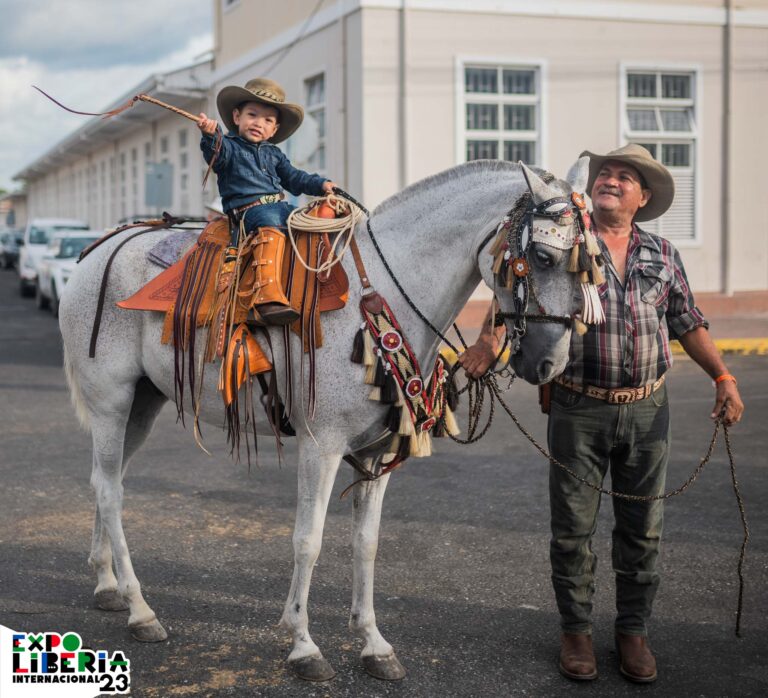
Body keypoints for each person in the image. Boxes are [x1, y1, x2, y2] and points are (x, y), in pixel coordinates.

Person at [459, 144, 744, 683]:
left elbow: (687, 321)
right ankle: (577, 634)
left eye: (624, 177)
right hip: (577, 406)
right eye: (605, 174)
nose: (610, 180)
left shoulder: (662, 253)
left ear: (643, 197)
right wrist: (487, 339)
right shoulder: (566, 238)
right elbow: (515, 285)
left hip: (647, 410)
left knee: (643, 531)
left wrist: (724, 378)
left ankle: (633, 634)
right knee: (572, 531)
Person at [198, 77, 338, 325]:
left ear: (274, 130)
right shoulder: (229, 146)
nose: (258, 123)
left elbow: (294, 178)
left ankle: (314, 282)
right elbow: (216, 156)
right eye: (252, 114)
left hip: (279, 207)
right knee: (271, 218)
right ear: (237, 116)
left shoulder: (274, 154)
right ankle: (266, 296)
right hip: (248, 213)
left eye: (267, 120)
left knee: (312, 218)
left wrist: (320, 184)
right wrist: (210, 136)